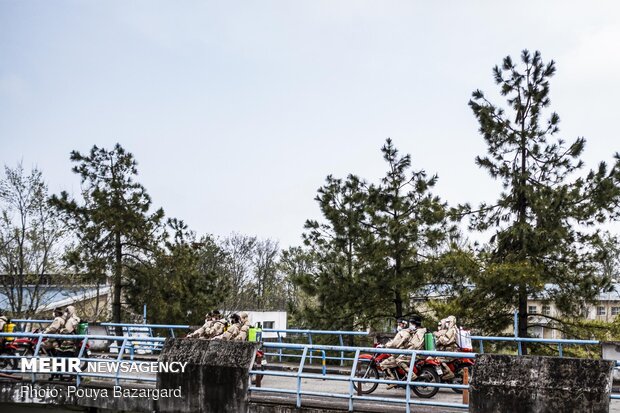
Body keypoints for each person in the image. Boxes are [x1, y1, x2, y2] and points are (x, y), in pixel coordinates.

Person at [379, 318, 413, 389]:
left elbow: (394, 343)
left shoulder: (403, 333)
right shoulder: (408, 332)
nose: (398, 326)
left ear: (404, 325)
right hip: (404, 353)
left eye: (400, 324)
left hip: (400, 355)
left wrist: (385, 345)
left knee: (383, 364)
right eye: (398, 324)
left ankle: (393, 381)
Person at [434, 315, 459, 379]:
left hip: (451, 351)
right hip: (450, 350)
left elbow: (445, 341)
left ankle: (449, 372)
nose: (447, 324)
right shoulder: (450, 329)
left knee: (438, 359)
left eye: (449, 322)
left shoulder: (451, 330)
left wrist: (439, 337)